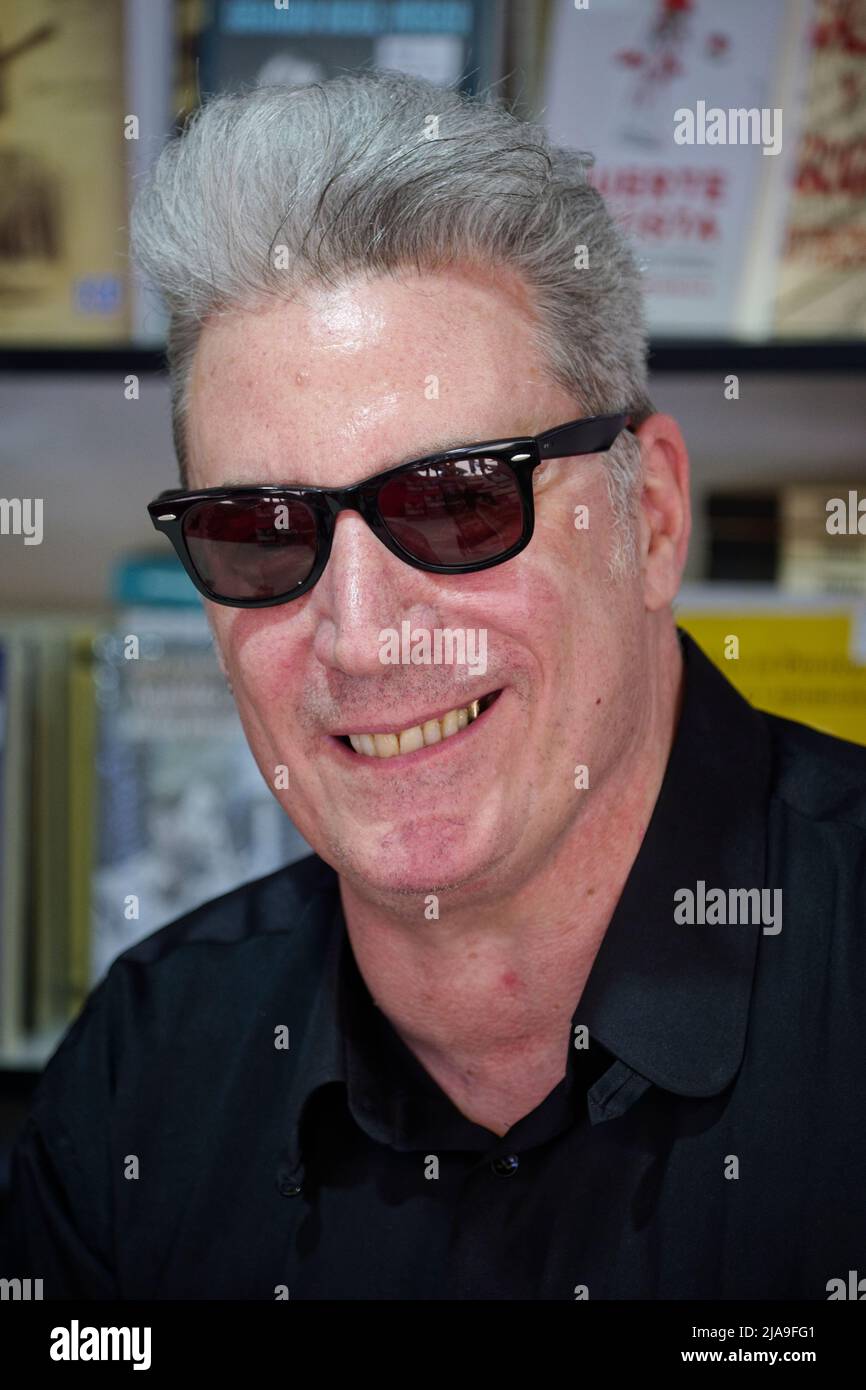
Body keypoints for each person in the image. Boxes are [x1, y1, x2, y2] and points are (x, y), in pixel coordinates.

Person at [4, 71, 866, 1301]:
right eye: (262, 530)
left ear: (654, 517)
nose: (360, 639)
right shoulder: (143, 1075)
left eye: (457, 504)